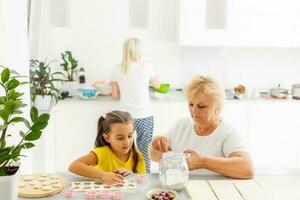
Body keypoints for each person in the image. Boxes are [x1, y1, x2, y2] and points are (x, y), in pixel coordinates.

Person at [149, 76, 254, 179]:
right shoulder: (181, 125)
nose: (194, 111)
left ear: (217, 106)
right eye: (191, 104)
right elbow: (155, 156)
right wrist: (156, 145)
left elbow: (247, 169)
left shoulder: (227, 133)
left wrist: (203, 162)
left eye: (202, 106)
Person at [110, 37, 160, 173]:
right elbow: (158, 85)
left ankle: (124, 176)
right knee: (145, 150)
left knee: (124, 150)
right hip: (144, 115)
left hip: (124, 117)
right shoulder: (147, 67)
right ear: (139, 51)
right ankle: (145, 177)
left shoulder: (117, 69)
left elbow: (114, 94)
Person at [68, 111, 146, 185]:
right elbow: (73, 166)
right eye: (120, 138)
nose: (127, 142)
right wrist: (103, 175)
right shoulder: (102, 153)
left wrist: (131, 175)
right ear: (107, 138)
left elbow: (142, 180)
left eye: (130, 136)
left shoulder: (137, 155)